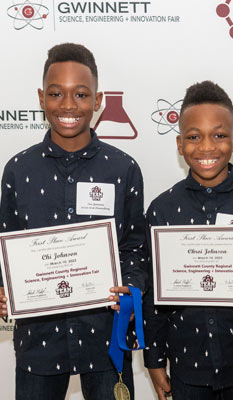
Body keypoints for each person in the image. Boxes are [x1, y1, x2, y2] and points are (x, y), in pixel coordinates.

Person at [0, 43, 147, 399]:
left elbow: (135, 248)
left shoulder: (123, 169)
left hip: (105, 339)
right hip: (39, 344)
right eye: (56, 94)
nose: (68, 105)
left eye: (81, 94)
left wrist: (131, 289)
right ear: (41, 97)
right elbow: (5, 245)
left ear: (97, 101)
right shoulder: (18, 171)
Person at [143, 80, 233, 400]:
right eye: (194, 137)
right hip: (188, 366)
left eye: (219, 135)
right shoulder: (162, 210)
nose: (207, 146)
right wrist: (153, 357)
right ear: (180, 144)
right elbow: (153, 294)